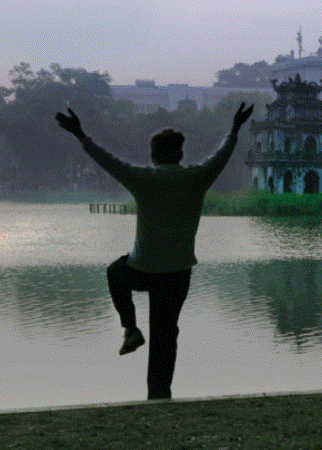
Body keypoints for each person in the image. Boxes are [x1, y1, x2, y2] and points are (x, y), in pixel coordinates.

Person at [55, 102, 254, 399]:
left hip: (143, 270)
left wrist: (80, 134)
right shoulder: (196, 178)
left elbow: (107, 161)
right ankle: (159, 395)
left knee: (115, 272)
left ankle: (131, 329)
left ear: (153, 155)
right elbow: (222, 156)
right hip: (177, 274)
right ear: (181, 154)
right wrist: (234, 129)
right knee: (165, 336)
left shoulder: (143, 179)